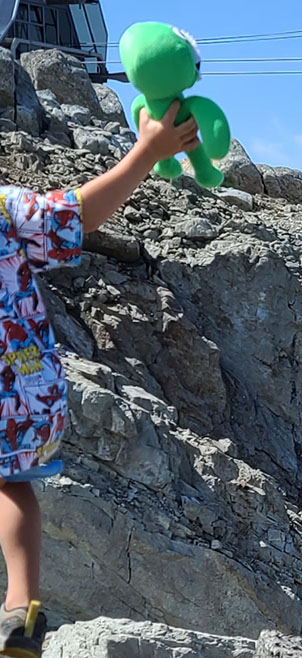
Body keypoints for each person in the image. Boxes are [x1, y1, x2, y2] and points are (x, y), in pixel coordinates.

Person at [0, 101, 198, 657]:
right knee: (10, 483)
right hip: (20, 389)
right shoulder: (4, 208)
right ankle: (21, 613)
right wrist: (146, 153)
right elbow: (76, 215)